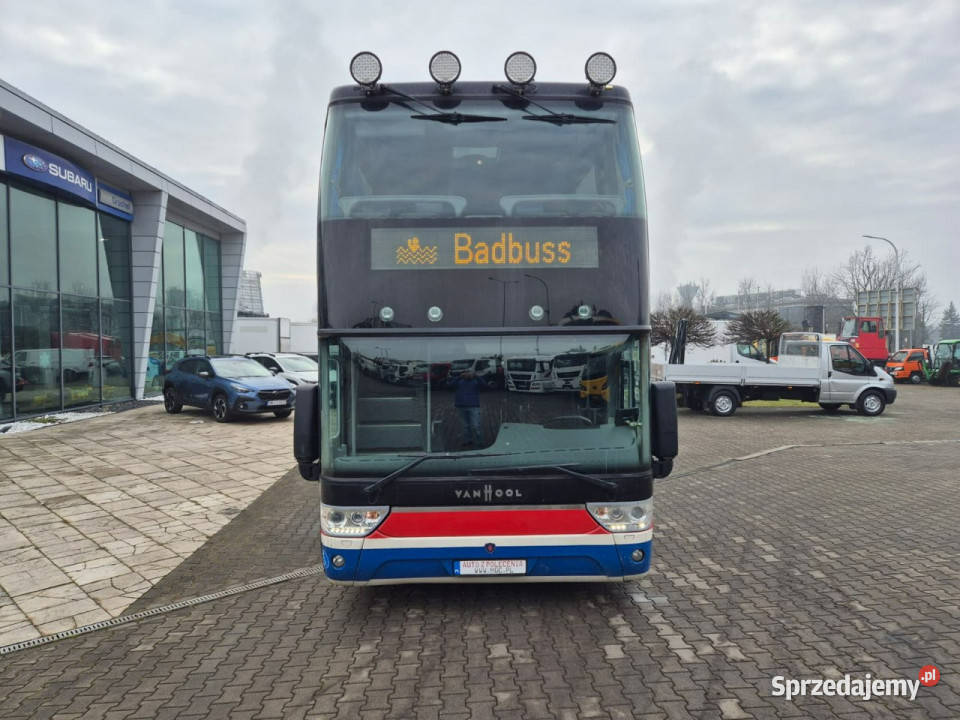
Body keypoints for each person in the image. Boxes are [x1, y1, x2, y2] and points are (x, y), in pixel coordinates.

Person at [452, 369, 484, 448]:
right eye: (465, 373)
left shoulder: (475, 382)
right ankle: (468, 440)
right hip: (461, 406)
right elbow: (450, 385)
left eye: (469, 373)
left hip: (473, 406)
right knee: (465, 426)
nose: (467, 374)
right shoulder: (459, 382)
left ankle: (480, 442)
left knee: (476, 425)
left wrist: (476, 376)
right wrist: (458, 377)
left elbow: (484, 385)